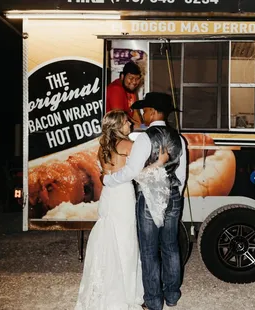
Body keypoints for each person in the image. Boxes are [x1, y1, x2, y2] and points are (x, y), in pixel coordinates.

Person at [74, 110, 168, 310]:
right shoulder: (128, 145)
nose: (130, 125)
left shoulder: (102, 148)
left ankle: (107, 288)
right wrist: (160, 162)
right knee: (126, 242)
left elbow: (106, 173)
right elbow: (138, 173)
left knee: (110, 239)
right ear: (117, 125)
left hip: (108, 195)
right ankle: (125, 292)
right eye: (126, 122)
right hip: (123, 195)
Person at [103, 92, 188, 310]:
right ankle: (172, 295)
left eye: (145, 110)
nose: (142, 114)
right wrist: (174, 191)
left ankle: (153, 301)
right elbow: (182, 174)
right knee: (170, 245)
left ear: (152, 111)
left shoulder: (145, 138)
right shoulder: (179, 138)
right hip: (173, 195)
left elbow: (131, 171)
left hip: (149, 197)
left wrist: (109, 180)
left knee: (149, 249)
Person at [106, 61, 143, 128]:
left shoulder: (130, 89)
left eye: (137, 78)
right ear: (122, 76)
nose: (134, 82)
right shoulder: (116, 89)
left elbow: (135, 112)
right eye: (131, 78)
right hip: (115, 131)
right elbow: (120, 117)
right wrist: (138, 126)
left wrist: (141, 127)